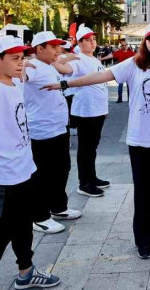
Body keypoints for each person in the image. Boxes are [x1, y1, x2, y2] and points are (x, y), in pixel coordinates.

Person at [46, 22, 150, 260]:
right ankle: (144, 240)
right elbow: (99, 76)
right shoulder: (134, 65)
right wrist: (66, 83)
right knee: (142, 193)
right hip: (138, 142)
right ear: (145, 42)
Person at [0, 35, 60, 290]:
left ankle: (26, 271)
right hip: (1, 176)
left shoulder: (16, 83)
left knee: (23, 226)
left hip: (23, 169)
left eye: (22, 58)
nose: (21, 64)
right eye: (15, 59)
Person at [24, 31, 83, 234]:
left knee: (62, 169)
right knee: (42, 174)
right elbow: (19, 74)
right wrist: (21, 64)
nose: (59, 50)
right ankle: (39, 216)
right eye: (54, 47)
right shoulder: (33, 66)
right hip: (41, 131)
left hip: (58, 128)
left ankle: (58, 207)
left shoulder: (48, 66)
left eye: (59, 46)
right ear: (39, 49)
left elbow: (66, 61)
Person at [65, 26, 111, 197]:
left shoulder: (95, 59)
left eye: (94, 39)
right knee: (86, 149)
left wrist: (104, 109)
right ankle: (84, 183)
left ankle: (91, 177)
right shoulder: (78, 60)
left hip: (97, 111)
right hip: (86, 111)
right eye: (88, 40)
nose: (93, 43)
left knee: (92, 147)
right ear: (80, 42)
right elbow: (63, 69)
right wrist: (65, 57)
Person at [112, 39, 135, 103]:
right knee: (120, 85)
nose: (124, 46)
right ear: (121, 46)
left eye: (125, 45)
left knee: (129, 86)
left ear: (127, 46)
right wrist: (102, 58)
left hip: (129, 72)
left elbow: (137, 58)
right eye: (122, 45)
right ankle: (119, 98)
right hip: (121, 71)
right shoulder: (118, 52)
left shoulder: (131, 53)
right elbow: (111, 55)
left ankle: (129, 99)